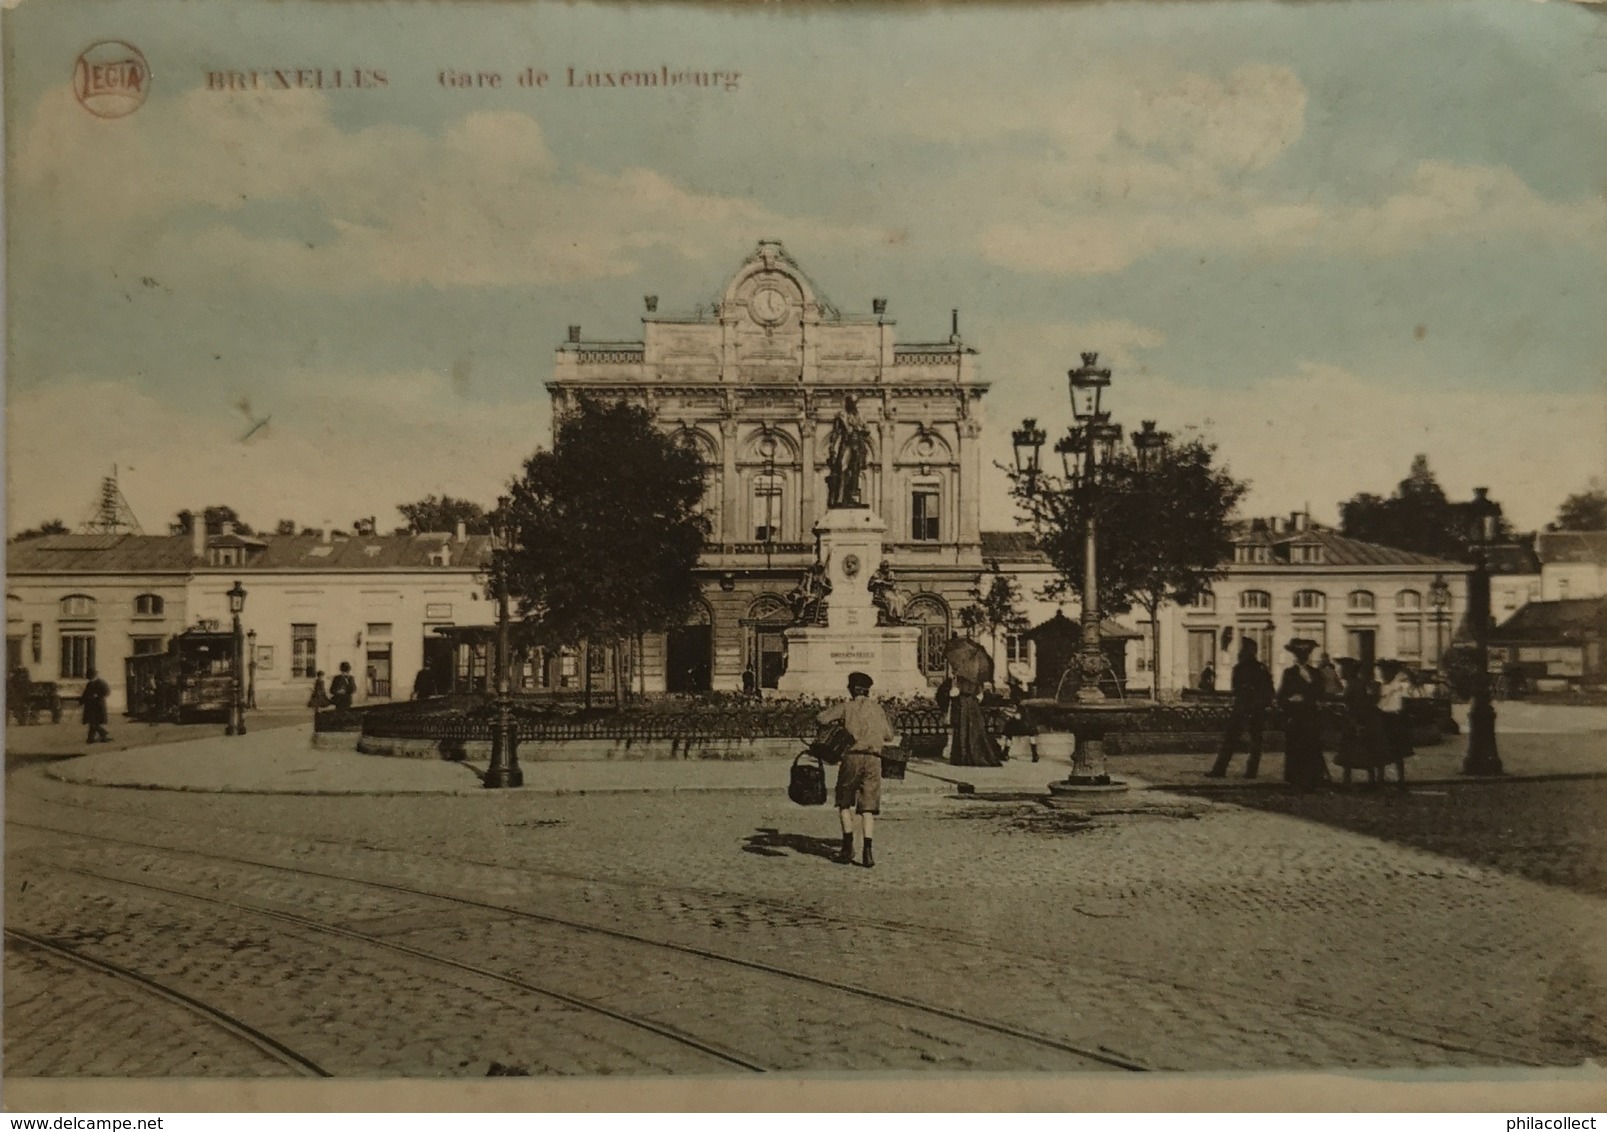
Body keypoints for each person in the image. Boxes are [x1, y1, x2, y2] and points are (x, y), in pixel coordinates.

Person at [815, 671, 897, 868]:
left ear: (851, 689)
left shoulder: (846, 707)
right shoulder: (877, 709)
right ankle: (867, 851)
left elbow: (821, 719)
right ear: (868, 691)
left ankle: (847, 847)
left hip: (851, 758)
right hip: (874, 759)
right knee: (868, 806)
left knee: (844, 802)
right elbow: (889, 736)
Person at [1206, 638, 1274, 778]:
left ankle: (1221, 769)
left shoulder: (1242, 668)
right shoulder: (1259, 668)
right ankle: (1248, 771)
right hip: (1253, 709)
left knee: (1234, 740)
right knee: (1252, 741)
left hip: (1245, 708)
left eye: (1244, 650)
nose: (1242, 653)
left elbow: (1237, 689)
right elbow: (1269, 691)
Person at [1277, 638, 1328, 789]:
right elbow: (1280, 695)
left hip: (1311, 715)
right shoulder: (1289, 673)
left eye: (1305, 654)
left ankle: (1313, 779)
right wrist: (1290, 700)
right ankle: (1296, 780)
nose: (1302, 657)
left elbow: (1320, 692)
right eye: (1300, 654)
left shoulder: (1315, 673)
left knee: (1312, 746)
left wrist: (1309, 699)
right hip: (1296, 716)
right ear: (1295, 656)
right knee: (1296, 748)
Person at [1332, 657, 1385, 787]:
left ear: (1349, 671)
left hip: (1356, 722)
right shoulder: (1354, 684)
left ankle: (1363, 781)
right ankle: (1358, 780)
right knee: (1353, 752)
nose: (1340, 672)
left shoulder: (1354, 686)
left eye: (1342, 669)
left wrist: (1356, 723)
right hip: (1355, 721)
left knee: (1359, 752)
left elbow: (1358, 706)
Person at [939, 667, 1004, 767]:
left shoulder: (957, 680)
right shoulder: (974, 679)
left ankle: (963, 757)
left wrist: (953, 687)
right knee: (974, 731)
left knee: (962, 730)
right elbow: (979, 696)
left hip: (961, 706)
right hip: (973, 707)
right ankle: (974, 756)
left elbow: (953, 693)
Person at [1375, 659, 1418, 789]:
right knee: (1382, 751)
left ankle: (1400, 779)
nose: (1383, 674)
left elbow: (1384, 704)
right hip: (1384, 719)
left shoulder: (1398, 685)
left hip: (1395, 719)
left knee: (1397, 752)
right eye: (1382, 671)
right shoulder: (1381, 685)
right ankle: (1381, 779)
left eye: (1385, 671)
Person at [825, 395, 872, 508]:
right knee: (842, 469)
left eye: (854, 403)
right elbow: (836, 433)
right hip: (846, 445)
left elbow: (867, 430)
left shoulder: (859, 416)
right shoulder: (842, 415)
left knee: (855, 472)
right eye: (851, 403)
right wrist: (832, 449)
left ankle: (852, 496)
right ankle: (840, 498)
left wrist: (858, 428)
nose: (852, 405)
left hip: (857, 445)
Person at [79, 668, 111, 744]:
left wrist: (98, 695)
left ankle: (102, 733)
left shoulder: (101, 683)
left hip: (98, 706)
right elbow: (85, 694)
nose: (89, 678)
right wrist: (81, 702)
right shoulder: (89, 684)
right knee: (92, 723)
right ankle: (93, 738)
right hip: (90, 707)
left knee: (94, 723)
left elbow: (107, 692)